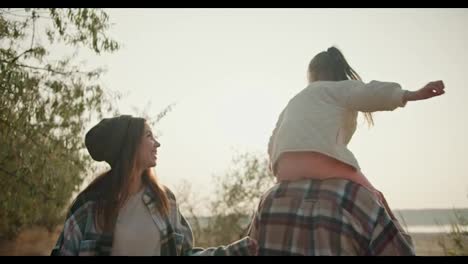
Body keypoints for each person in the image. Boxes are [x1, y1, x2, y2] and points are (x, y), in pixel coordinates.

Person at [247, 46, 445, 256]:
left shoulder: (295, 99)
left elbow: (274, 135)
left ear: (311, 75)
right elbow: (370, 93)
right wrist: (408, 94)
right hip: (325, 160)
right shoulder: (338, 89)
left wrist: (277, 166)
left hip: (285, 166)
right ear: (336, 72)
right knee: (375, 196)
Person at [51, 115, 257, 256]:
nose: (157, 143)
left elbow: (184, 254)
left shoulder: (165, 200)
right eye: (149, 136)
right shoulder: (90, 205)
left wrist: (232, 252)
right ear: (129, 145)